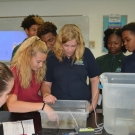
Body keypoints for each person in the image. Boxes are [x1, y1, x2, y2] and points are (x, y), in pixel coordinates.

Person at [41, 24, 100, 112]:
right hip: (58, 106)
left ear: (79, 44)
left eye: (73, 46)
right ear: (60, 43)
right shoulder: (51, 56)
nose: (69, 49)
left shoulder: (86, 53)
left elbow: (95, 80)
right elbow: (46, 84)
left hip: (82, 106)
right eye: (66, 45)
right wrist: (46, 94)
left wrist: (93, 106)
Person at [7, 36, 54, 114]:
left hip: (38, 112)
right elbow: (11, 106)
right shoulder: (14, 72)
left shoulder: (37, 69)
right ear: (27, 57)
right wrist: (42, 106)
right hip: (22, 114)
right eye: (38, 61)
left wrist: (46, 95)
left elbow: (36, 92)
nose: (41, 65)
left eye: (43, 61)